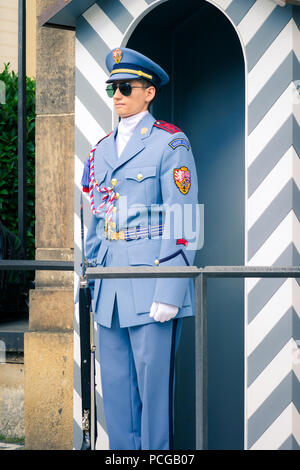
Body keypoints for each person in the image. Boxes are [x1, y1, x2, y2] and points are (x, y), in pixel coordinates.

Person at [81, 47, 199, 450]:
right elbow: (95, 220)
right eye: (113, 87)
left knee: (153, 395)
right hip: (110, 288)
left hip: (152, 284)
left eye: (126, 87)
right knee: (115, 391)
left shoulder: (170, 143)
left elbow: (183, 220)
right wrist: (92, 277)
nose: (117, 94)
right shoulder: (100, 150)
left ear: (148, 92)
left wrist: (171, 288)